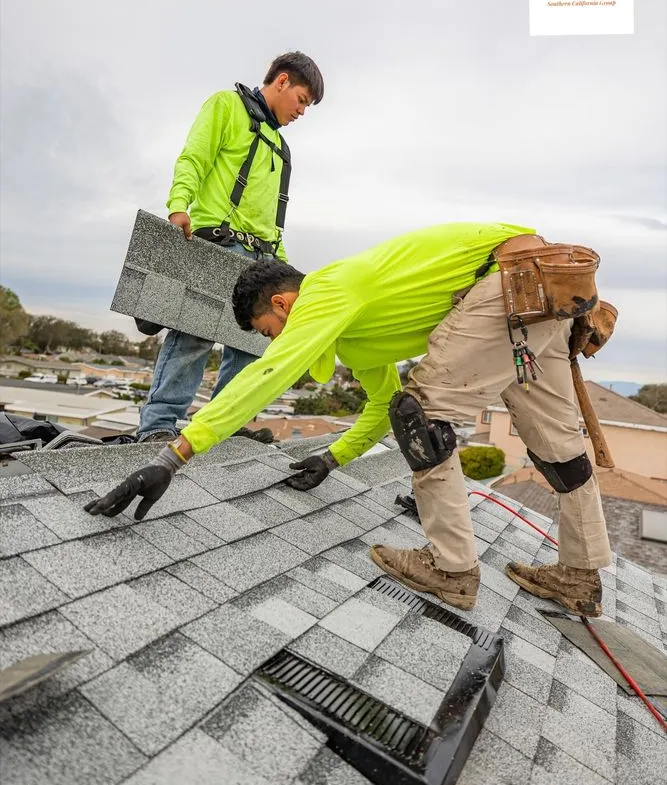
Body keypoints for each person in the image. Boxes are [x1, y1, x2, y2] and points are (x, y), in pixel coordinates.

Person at [88, 221, 612, 617]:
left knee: (424, 417)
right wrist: (332, 458)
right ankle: (579, 575)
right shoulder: (362, 330)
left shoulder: (328, 289)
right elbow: (382, 406)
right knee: (559, 448)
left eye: (267, 328)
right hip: (540, 292)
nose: (272, 340)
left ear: (282, 302)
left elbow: (271, 373)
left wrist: (175, 454)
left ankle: (452, 568)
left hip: (509, 284)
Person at [136, 51, 324, 443]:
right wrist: (178, 206)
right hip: (220, 243)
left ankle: (224, 425)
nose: (303, 111)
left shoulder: (281, 147)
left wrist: (287, 272)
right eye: (303, 100)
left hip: (263, 257)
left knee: (252, 344)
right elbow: (194, 158)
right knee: (195, 334)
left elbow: (273, 219)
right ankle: (157, 427)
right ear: (283, 81)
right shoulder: (228, 106)